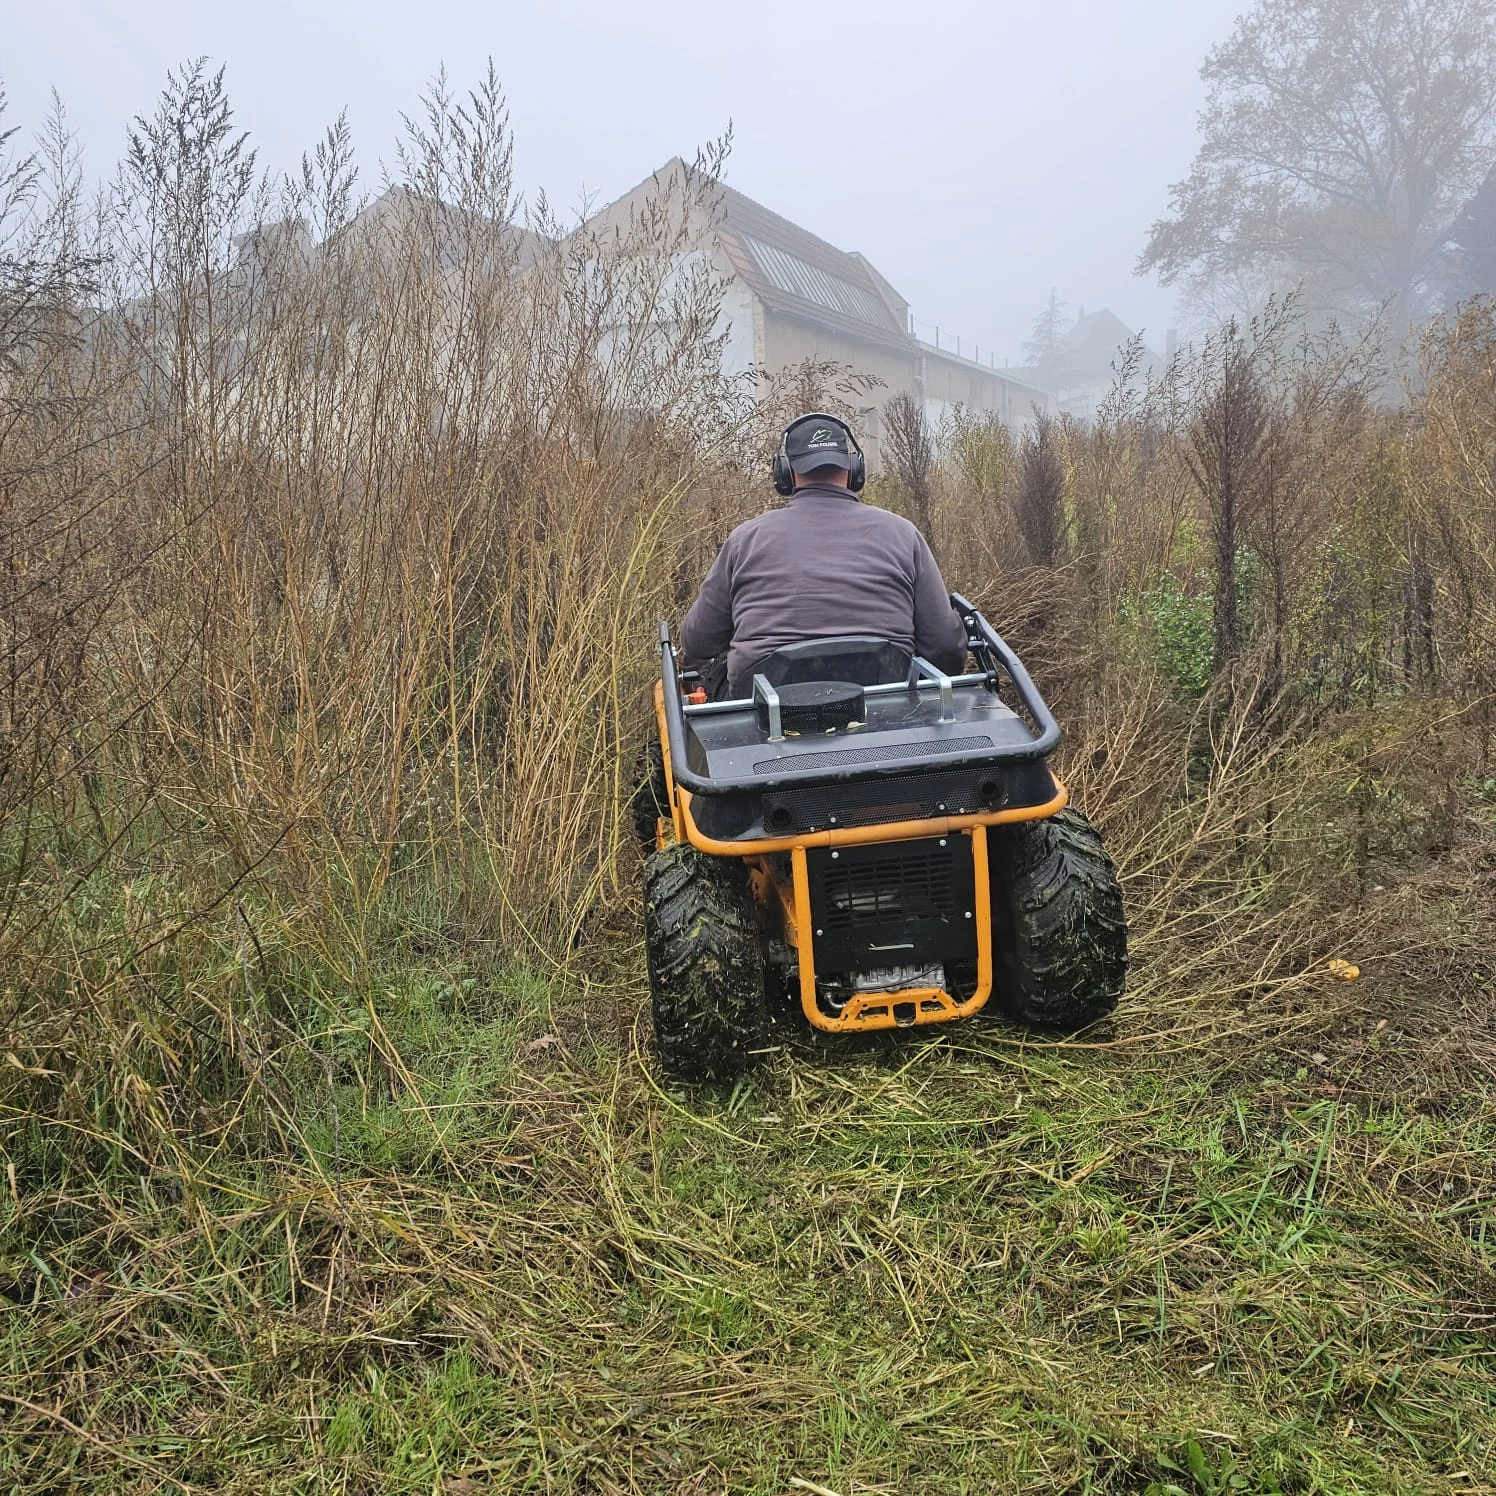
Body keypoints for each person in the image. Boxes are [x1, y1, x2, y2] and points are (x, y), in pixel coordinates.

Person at [680, 412, 968, 697]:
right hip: (886, 701)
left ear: (784, 473)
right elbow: (944, 646)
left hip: (764, 713)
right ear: (855, 469)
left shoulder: (745, 539)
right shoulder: (904, 534)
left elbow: (697, 643)